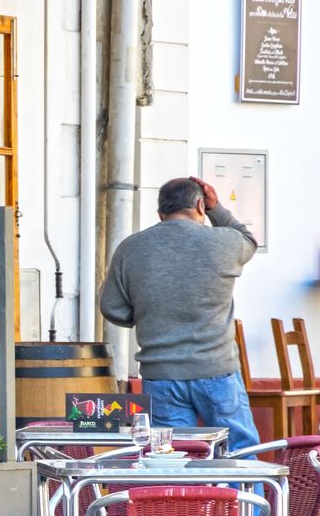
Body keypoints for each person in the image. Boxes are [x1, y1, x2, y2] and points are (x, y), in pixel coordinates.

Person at [100, 176, 260, 454]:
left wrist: (147, 314)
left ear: (160, 213)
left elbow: (112, 307)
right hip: (217, 371)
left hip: (161, 376)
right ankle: (244, 500)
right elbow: (248, 239)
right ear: (200, 205)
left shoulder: (131, 248)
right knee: (238, 451)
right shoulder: (224, 242)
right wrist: (216, 208)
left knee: (171, 457)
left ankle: (178, 500)